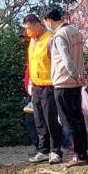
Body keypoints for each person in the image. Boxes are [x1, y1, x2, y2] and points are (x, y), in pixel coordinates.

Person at [43, 7, 88, 167]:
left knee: (68, 120)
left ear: (49, 20)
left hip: (64, 81)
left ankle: (79, 155)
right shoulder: (74, 31)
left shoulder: (59, 35)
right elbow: (80, 56)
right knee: (78, 118)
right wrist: (80, 75)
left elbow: (66, 58)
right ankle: (83, 152)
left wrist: (75, 74)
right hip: (75, 82)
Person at [23, 13, 60, 163]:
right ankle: (43, 150)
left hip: (49, 85)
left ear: (38, 25)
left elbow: (57, 62)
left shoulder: (50, 39)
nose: (27, 32)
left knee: (51, 119)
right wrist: (31, 83)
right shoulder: (33, 41)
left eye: (29, 28)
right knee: (38, 120)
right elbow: (32, 63)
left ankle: (56, 151)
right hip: (36, 86)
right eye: (26, 29)